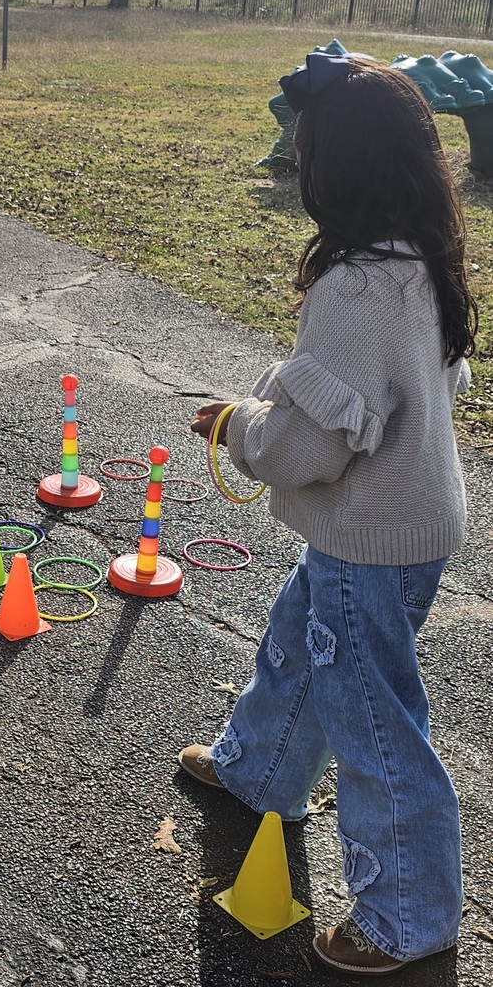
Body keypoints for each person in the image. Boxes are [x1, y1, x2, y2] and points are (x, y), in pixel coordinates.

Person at [180, 54, 478, 977]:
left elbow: (308, 447)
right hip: (403, 522)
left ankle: (408, 917)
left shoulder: (354, 287)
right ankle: (260, 769)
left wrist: (238, 426)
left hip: (369, 536)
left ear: (337, 169)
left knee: (375, 722)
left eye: (305, 153)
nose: (297, 166)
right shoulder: (420, 256)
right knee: (303, 641)